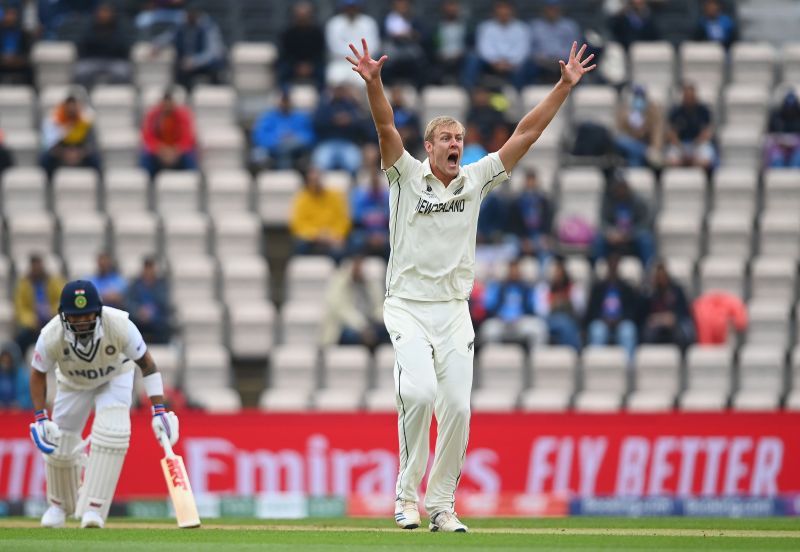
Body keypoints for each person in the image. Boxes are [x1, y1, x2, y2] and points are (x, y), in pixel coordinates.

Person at [346, 37, 594, 532]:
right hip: (408, 307)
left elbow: (526, 133)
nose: (456, 144)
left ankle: (441, 505)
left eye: (460, 138)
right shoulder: (405, 175)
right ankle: (405, 497)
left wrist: (563, 88)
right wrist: (375, 83)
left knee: (457, 406)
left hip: (454, 309)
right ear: (430, 147)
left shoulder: (476, 179)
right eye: (446, 139)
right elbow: (385, 125)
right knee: (417, 395)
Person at [28, 280, 179, 528]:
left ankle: (94, 509)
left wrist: (158, 410)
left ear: (98, 311)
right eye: (74, 317)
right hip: (72, 383)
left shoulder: (119, 325)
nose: (81, 321)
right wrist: (40, 417)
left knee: (114, 433)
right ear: (64, 316)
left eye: (86, 314)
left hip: (115, 376)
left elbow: (147, 365)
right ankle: (58, 506)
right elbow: (37, 373)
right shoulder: (51, 334)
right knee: (60, 439)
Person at [479, 258, 548, 350]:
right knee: (488, 328)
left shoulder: (527, 288)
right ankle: (495, 356)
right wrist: (500, 316)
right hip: (502, 322)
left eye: (516, 270)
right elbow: (489, 307)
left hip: (521, 323)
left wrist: (522, 315)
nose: (514, 273)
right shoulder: (498, 287)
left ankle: (536, 356)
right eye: (512, 270)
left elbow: (533, 308)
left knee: (539, 327)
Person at [321, 255, 388, 349]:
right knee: (350, 335)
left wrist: (385, 320)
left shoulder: (370, 283)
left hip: (370, 325)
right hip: (345, 326)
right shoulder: (340, 282)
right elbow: (341, 311)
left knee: (388, 332)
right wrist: (363, 328)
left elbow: (377, 307)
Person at [591, 171, 654, 267]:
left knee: (646, 240)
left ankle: (649, 271)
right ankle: (598, 270)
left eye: (622, 187)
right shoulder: (607, 202)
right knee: (598, 240)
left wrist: (630, 234)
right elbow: (602, 221)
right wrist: (610, 232)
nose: (620, 190)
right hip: (614, 237)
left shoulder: (638, 201)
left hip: (633, 237)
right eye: (618, 187)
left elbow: (646, 223)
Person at [584, 254, 639, 360]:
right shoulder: (598, 288)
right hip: (602, 321)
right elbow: (592, 311)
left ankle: (628, 367)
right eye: (611, 265)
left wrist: (620, 319)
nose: (613, 268)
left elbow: (632, 311)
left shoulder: (626, 289)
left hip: (621, 322)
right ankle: (596, 365)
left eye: (615, 266)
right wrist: (603, 318)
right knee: (597, 331)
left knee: (628, 331)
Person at [288, 167, 351, 261]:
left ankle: (338, 274)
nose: (315, 183)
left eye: (317, 179)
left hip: (333, 237)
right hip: (311, 239)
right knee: (300, 245)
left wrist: (335, 235)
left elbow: (343, 220)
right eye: (312, 180)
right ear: (307, 181)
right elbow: (297, 224)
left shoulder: (335, 196)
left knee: (341, 249)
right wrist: (316, 235)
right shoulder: (301, 198)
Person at [464, 0, 529, 90]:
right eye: (500, 10)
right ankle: (471, 91)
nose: (503, 13)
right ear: (495, 12)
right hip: (490, 64)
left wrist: (509, 63)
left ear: (512, 11)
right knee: (473, 58)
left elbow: (522, 50)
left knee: (527, 63)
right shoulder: (485, 27)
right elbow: (484, 48)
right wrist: (495, 62)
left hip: (513, 64)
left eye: (506, 10)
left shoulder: (521, 28)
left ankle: (518, 95)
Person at [311, 83, 371, 174]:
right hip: (328, 142)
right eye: (336, 90)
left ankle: (351, 183)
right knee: (320, 163)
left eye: (341, 90)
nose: (338, 93)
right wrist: (333, 120)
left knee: (353, 163)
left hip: (348, 143)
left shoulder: (352, 106)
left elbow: (362, 124)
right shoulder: (325, 107)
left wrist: (349, 120)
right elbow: (317, 123)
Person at [13, 254, 65, 356]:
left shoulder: (53, 281)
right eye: (34, 266)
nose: (37, 268)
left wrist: (51, 311)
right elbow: (20, 308)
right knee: (19, 342)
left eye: (39, 265)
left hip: (51, 321)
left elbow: (62, 299)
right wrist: (31, 320)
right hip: (33, 326)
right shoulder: (24, 284)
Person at [250, 91, 315, 170]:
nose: (284, 103)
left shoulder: (300, 117)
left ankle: (285, 175)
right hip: (271, 150)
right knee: (258, 154)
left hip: (295, 151)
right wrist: (278, 140)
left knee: (287, 150)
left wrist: (292, 139)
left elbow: (309, 137)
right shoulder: (268, 117)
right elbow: (259, 137)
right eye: (283, 101)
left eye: (287, 101)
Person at [165, 4, 225, 89]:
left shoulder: (208, 27)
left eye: (192, 15)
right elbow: (169, 36)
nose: (189, 18)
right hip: (186, 64)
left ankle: (215, 95)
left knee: (216, 69)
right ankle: (184, 95)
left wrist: (195, 61)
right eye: (188, 15)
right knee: (179, 72)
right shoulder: (182, 25)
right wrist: (156, 45)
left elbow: (213, 52)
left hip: (207, 64)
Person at [140, 90, 198, 178]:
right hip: (159, 151)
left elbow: (188, 137)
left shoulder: (183, 115)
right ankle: (148, 185)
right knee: (145, 158)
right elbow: (147, 136)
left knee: (190, 158)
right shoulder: (153, 115)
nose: (167, 107)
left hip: (177, 151)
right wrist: (160, 149)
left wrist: (176, 150)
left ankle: (191, 182)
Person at [41, 95, 101, 178]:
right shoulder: (55, 122)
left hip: (80, 153)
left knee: (96, 159)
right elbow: (50, 145)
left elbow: (91, 144)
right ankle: (48, 184)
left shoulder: (85, 122)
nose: (71, 110)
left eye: (74, 108)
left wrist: (79, 154)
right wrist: (64, 153)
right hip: (61, 154)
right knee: (45, 159)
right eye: (69, 108)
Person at [74, 3, 132, 88]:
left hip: (113, 61)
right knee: (80, 71)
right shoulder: (89, 27)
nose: (104, 15)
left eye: (107, 12)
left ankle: (114, 94)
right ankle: (86, 94)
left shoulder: (119, 28)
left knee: (123, 72)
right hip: (92, 59)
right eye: (102, 12)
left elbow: (124, 47)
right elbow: (82, 45)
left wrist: (103, 43)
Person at [640, 259, 694, 350]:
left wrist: (674, 317)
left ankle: (683, 360)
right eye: (658, 276)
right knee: (646, 333)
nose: (660, 278)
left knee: (685, 331)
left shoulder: (677, 290)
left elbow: (684, 311)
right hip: (654, 325)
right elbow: (642, 314)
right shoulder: (648, 293)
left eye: (663, 275)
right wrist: (656, 319)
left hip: (674, 324)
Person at [534, 256, 584, 351]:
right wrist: (554, 304)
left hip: (571, 319)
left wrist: (565, 302)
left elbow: (580, 310)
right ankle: (574, 352)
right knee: (563, 323)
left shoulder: (573, 287)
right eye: (555, 272)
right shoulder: (544, 288)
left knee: (567, 323)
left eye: (559, 272)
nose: (557, 275)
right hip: (548, 320)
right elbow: (540, 311)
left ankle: (571, 353)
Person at [528, 0, 582, 85]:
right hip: (541, 64)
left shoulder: (569, 26)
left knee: (576, 67)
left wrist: (560, 59)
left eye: (554, 8)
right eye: (549, 8)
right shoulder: (535, 26)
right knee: (528, 67)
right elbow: (531, 49)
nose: (552, 11)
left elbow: (574, 49)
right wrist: (541, 58)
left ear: (560, 9)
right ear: (544, 10)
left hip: (564, 63)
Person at [665, 83, 716, 170]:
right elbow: (671, 133)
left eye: (691, 96)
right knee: (669, 159)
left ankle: (692, 163)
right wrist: (681, 147)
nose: (689, 98)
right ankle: (683, 163)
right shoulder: (676, 111)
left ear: (695, 96)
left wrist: (695, 145)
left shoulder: (703, 111)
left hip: (698, 144)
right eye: (686, 96)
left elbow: (707, 132)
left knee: (707, 157)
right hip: (680, 145)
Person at [508, 169, 554, 262]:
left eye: (532, 180)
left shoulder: (543, 201)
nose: (530, 183)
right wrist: (523, 239)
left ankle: (543, 274)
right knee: (511, 247)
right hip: (520, 237)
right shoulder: (517, 201)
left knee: (545, 251)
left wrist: (545, 235)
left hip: (538, 236)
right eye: (528, 180)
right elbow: (513, 223)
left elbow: (547, 221)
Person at [277, 2, 326, 90]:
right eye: (300, 15)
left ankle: (322, 98)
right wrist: (296, 66)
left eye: (305, 15)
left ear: (310, 15)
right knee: (282, 70)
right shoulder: (287, 32)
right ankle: (284, 96)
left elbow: (320, 52)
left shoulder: (317, 32)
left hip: (313, 64)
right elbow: (285, 53)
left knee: (323, 72)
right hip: (292, 64)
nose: (302, 17)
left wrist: (310, 66)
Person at [380, 0, 426, 88]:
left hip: (409, 45)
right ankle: (388, 84)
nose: (401, 5)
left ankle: (418, 87)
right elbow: (382, 35)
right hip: (393, 45)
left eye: (404, 3)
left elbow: (422, 35)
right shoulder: (388, 18)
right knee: (386, 57)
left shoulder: (413, 18)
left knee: (419, 57)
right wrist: (394, 35)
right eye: (398, 3)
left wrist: (411, 34)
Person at [615, 84, 664, 167]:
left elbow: (657, 133)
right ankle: (643, 152)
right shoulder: (625, 112)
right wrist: (628, 118)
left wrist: (655, 149)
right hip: (629, 145)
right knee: (622, 142)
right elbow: (620, 132)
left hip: (646, 145)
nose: (639, 100)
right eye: (636, 96)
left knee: (634, 158)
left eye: (641, 97)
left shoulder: (652, 112)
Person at [126, 256, 171, 345]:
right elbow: (129, 302)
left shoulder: (161, 285)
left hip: (156, 318)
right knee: (130, 324)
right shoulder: (135, 285)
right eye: (147, 268)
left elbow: (164, 303)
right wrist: (138, 311)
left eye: (151, 268)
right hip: (138, 317)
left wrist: (151, 311)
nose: (149, 271)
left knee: (164, 325)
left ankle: (161, 350)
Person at [350, 165, 391, 259]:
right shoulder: (360, 196)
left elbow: (391, 219)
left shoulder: (387, 196)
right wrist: (370, 237)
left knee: (395, 241)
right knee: (356, 240)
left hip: (383, 233)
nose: (374, 181)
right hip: (365, 234)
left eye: (376, 179)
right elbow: (356, 218)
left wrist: (380, 236)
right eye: (372, 179)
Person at [764, 90, 800, 168]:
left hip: (796, 147)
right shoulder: (776, 116)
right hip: (779, 146)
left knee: (797, 158)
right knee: (776, 158)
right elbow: (771, 134)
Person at [0, 6, 33, 85]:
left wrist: (17, 59)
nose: (10, 17)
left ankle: (31, 92)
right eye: (8, 14)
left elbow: (27, 53)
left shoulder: (24, 34)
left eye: (12, 14)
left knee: (30, 69)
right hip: (1, 63)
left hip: (19, 64)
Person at [0, 341, 32, 409]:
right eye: (3, 360)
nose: (5, 363)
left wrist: (19, 404)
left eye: (8, 361)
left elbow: (29, 397)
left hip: (18, 414)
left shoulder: (23, 376)